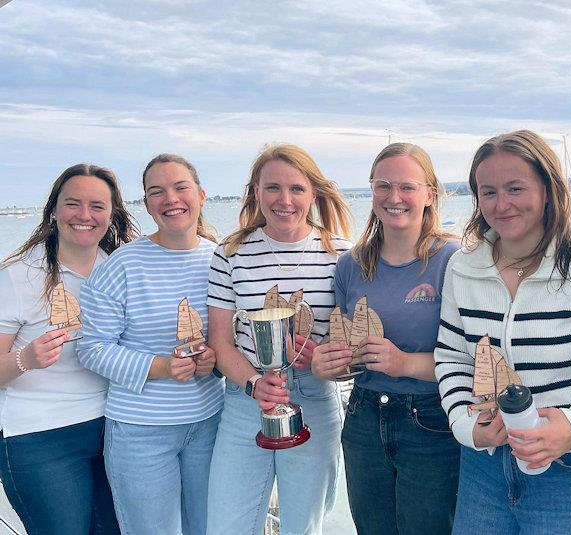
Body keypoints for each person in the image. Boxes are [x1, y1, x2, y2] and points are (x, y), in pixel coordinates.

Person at [435, 130, 571, 535]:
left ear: (548, 190)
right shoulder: (463, 267)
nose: (501, 204)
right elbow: (453, 356)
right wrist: (465, 424)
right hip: (485, 466)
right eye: (488, 191)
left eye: (515, 188)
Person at [312, 143, 461, 535]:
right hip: (363, 417)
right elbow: (345, 352)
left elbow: (472, 358)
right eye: (383, 186)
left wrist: (405, 364)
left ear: (430, 194)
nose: (394, 198)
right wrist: (328, 364)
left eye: (407, 187)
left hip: (432, 420)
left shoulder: (454, 260)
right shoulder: (350, 265)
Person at [205, 144, 353, 535]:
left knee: (303, 526)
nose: (284, 200)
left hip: (315, 399)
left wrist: (321, 357)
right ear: (256, 192)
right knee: (227, 524)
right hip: (244, 398)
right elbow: (221, 342)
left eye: (296, 189)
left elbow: (350, 345)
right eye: (272, 188)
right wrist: (255, 384)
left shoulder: (343, 255)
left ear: (313, 194)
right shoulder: (231, 253)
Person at [78, 154, 224, 535]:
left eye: (180, 187)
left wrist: (214, 360)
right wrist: (160, 366)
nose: (170, 198)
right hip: (141, 431)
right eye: (156, 192)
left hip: (211, 422)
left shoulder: (221, 258)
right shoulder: (122, 265)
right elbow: (92, 348)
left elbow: (231, 338)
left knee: (209, 528)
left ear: (202, 195)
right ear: (146, 204)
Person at [0, 163, 136, 535]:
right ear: (54, 211)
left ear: (112, 215)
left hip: (115, 430)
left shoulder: (120, 270)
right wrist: (25, 360)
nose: (84, 215)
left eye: (97, 206)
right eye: (73, 204)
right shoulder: (18, 275)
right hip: (40, 437)